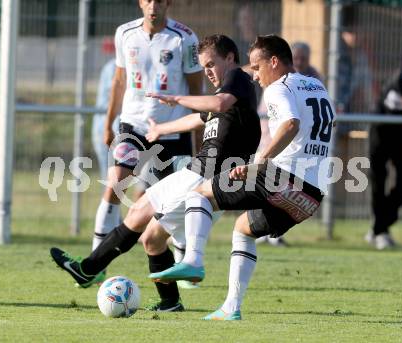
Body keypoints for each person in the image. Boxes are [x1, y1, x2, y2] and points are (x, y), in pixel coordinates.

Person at [50, 34, 261, 312]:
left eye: (211, 64)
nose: (208, 72)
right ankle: (170, 302)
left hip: (206, 177)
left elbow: (217, 105)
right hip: (202, 176)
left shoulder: (237, 80)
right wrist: (161, 129)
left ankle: (88, 269)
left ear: (231, 58)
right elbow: (198, 118)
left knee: (138, 211)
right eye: (204, 66)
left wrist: (177, 97)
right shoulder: (227, 95)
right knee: (152, 239)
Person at [149, 35, 335, 320]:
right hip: (312, 194)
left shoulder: (277, 88)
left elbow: (291, 125)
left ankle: (193, 261)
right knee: (243, 229)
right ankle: (231, 308)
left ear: (274, 62)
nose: (256, 76)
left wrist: (258, 163)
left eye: (257, 68)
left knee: (199, 193)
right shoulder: (317, 86)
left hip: (282, 177)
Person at [88, 0, 203, 273]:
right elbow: (119, 80)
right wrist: (108, 124)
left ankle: (183, 261)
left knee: (176, 199)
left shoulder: (185, 38)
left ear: (168, 3)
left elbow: (197, 89)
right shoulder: (125, 33)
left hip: (172, 129)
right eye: (148, 0)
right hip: (133, 125)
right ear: (141, 2)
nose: (154, 6)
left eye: (160, 1)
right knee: (116, 183)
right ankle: (96, 261)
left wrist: (198, 139)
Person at [366, 41, 402, 250]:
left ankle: (378, 226)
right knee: (378, 181)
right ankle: (381, 231)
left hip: (401, 132)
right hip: (381, 129)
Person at [91, 38, 120, 182]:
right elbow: (116, 94)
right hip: (109, 129)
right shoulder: (113, 68)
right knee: (110, 181)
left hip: (115, 128)